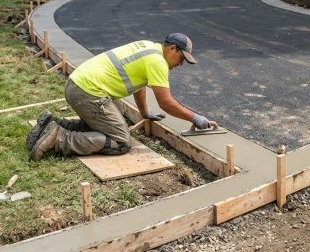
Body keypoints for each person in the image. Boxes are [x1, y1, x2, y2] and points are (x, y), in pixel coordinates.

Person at [26, 33, 218, 160]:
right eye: (181, 59)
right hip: (88, 94)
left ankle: (54, 124)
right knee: (120, 142)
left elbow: (138, 84)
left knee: (104, 127)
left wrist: (144, 112)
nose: (180, 64)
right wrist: (195, 118)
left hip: (76, 85)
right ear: (172, 49)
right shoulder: (158, 61)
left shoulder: (147, 46)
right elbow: (166, 103)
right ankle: (59, 138)